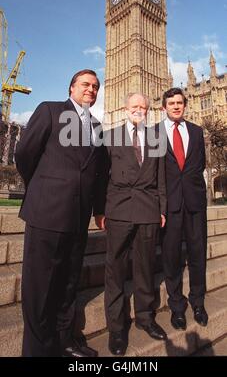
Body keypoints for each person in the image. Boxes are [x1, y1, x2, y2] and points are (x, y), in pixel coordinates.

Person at [15, 69, 106, 357]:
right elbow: (24, 154)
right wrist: (43, 187)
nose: (90, 89)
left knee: (68, 283)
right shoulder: (50, 111)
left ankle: (65, 340)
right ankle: (37, 350)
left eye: (94, 86)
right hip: (48, 212)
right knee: (40, 286)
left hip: (78, 217)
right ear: (71, 87)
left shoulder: (97, 126)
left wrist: (99, 209)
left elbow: (99, 172)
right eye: (85, 84)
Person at [96, 92, 167, 356]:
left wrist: (162, 209)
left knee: (146, 267)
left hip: (148, 209)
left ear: (148, 111)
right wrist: (100, 210)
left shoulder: (156, 137)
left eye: (143, 107)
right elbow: (101, 177)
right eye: (135, 106)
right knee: (115, 269)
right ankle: (116, 329)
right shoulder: (110, 135)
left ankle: (146, 317)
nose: (139, 110)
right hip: (118, 208)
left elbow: (161, 178)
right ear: (126, 109)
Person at [161, 87, 208, 331]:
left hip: (194, 203)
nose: (176, 106)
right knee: (171, 257)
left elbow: (200, 163)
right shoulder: (154, 134)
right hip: (170, 205)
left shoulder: (197, 131)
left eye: (180, 102)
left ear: (185, 105)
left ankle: (198, 302)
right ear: (164, 107)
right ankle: (177, 306)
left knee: (198, 254)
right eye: (172, 103)